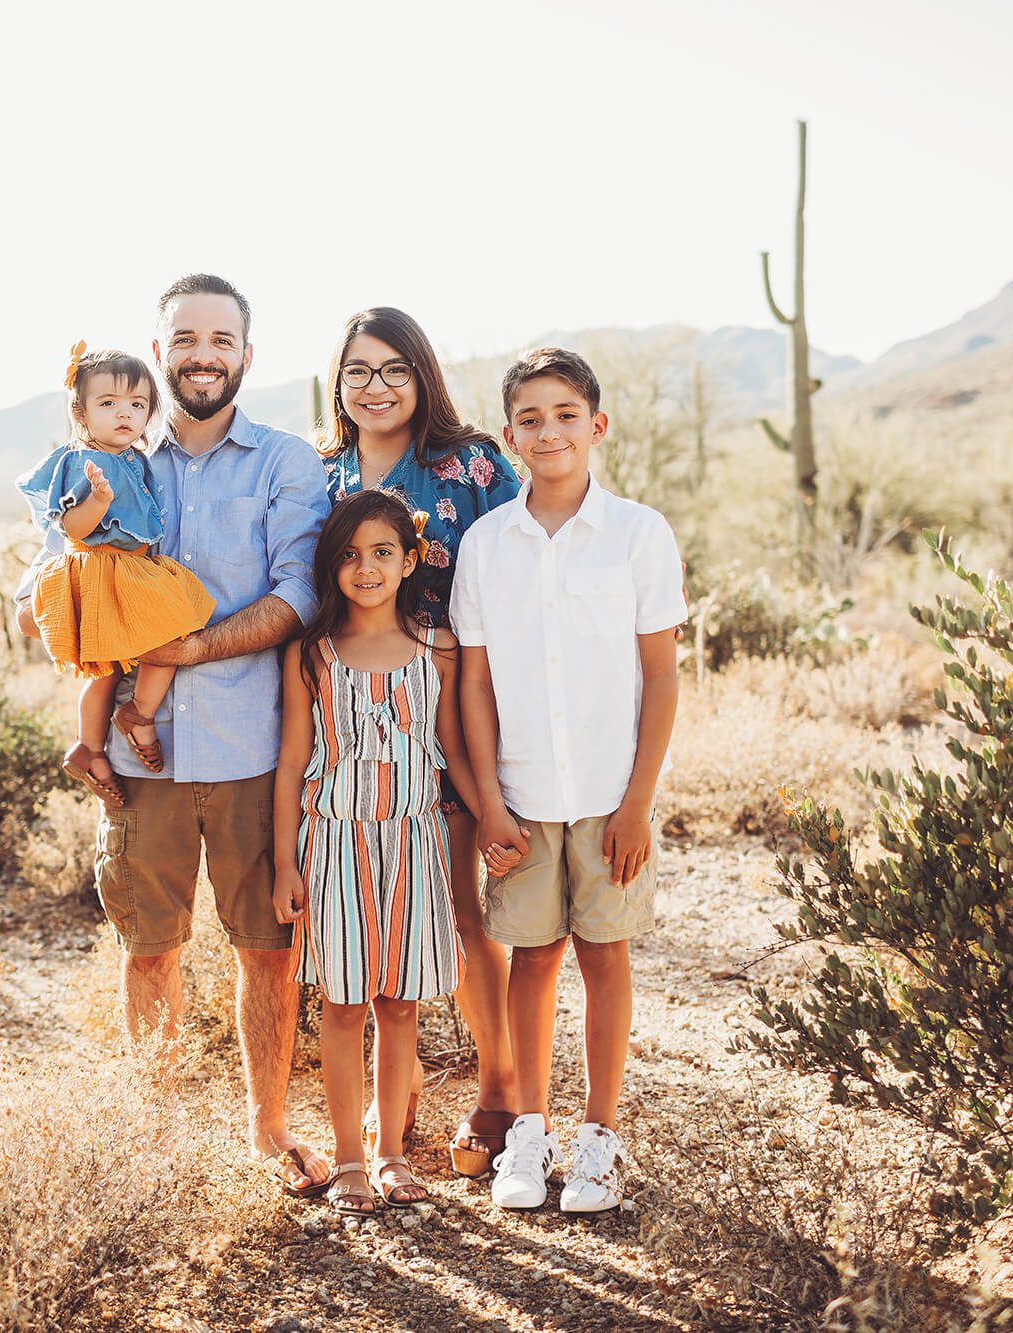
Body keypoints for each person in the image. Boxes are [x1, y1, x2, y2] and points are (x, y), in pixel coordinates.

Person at [15, 274, 333, 1197]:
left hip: (249, 748)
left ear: (244, 353)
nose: (202, 352)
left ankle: (267, 1131)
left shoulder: (282, 462)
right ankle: (150, 1134)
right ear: (161, 354)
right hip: (135, 757)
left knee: (267, 950)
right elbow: (51, 578)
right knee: (149, 945)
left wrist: (185, 645)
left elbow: (301, 591)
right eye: (184, 337)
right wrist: (79, 643)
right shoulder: (115, 460)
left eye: (220, 338)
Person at [450, 347, 685, 1214]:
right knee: (533, 956)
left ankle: (597, 1138)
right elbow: (473, 682)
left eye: (565, 414)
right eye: (530, 418)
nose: (549, 431)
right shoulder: (486, 544)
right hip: (520, 797)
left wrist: (637, 803)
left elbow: (659, 676)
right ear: (510, 436)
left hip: (607, 797)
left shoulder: (637, 534)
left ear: (597, 424)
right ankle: (529, 1131)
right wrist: (487, 804)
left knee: (603, 955)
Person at [317, 306, 524, 1178]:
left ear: (422, 374)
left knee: (459, 906)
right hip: (350, 727)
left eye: (394, 369)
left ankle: (500, 1091)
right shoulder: (315, 471)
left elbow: (520, 558)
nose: (376, 387)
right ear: (338, 383)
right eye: (358, 371)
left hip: (453, 704)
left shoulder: (470, 462)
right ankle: (387, 1115)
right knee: (365, 914)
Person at [272, 489, 484, 1214]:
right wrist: (283, 862)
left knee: (398, 1005)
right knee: (342, 1003)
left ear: (410, 559)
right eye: (351, 555)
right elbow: (291, 760)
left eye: (383, 552)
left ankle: (390, 1150)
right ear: (333, 564)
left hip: (415, 838)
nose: (366, 568)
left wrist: (492, 819)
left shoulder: (439, 649)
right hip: (333, 844)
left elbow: (453, 748)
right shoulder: (313, 655)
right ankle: (350, 1158)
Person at [16, 343, 215, 807]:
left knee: (123, 660)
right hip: (101, 569)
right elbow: (69, 527)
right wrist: (97, 503)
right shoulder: (80, 460)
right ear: (81, 412)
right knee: (166, 636)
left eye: (137, 405)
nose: (124, 414)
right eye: (108, 404)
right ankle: (133, 718)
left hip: (130, 569)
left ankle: (94, 743)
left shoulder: (132, 458)